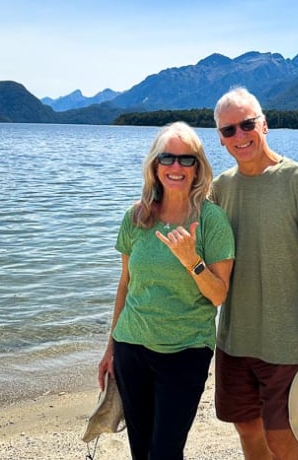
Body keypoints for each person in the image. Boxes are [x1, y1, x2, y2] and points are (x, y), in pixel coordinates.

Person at [211, 87, 298, 460]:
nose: (239, 136)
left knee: (281, 439)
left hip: (285, 342)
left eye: (246, 124)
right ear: (220, 139)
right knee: (248, 431)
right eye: (228, 130)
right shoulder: (220, 188)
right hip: (234, 339)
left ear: (264, 124)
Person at [98, 121, 235, 460]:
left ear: (197, 167)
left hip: (186, 352)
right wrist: (110, 348)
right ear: (154, 165)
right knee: (140, 450)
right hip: (132, 348)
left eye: (186, 159)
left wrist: (192, 261)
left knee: (165, 453)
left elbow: (218, 295)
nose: (176, 167)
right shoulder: (137, 216)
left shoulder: (211, 220)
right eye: (167, 158)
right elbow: (126, 285)